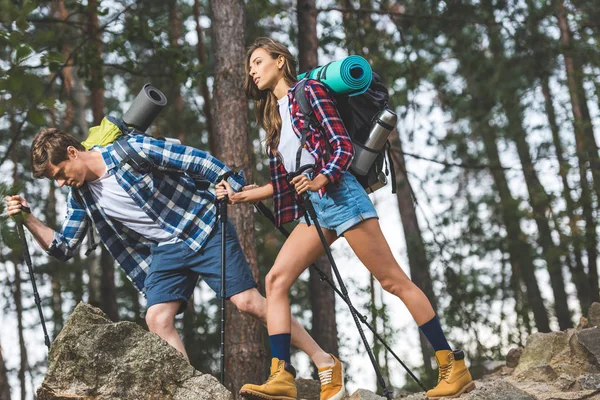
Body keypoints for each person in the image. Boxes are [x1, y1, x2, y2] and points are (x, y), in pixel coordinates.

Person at [216, 37, 475, 400]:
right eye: (250, 67)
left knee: (393, 281)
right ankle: (282, 376)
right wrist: (240, 195)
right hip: (318, 208)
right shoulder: (275, 117)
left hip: (342, 196)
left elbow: (342, 146)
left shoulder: (310, 91)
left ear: (280, 61)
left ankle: (453, 365)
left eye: (258, 62)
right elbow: (284, 183)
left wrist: (320, 178)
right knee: (276, 280)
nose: (252, 71)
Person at [4, 128, 343, 399]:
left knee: (249, 303)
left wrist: (231, 182)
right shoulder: (80, 196)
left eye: (61, 173)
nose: (62, 182)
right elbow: (63, 247)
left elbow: (192, 159)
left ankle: (323, 360)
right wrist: (29, 219)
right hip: (165, 250)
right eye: (56, 180)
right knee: (157, 317)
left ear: (73, 153)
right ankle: (190, 393)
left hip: (203, 225)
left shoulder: (129, 151)